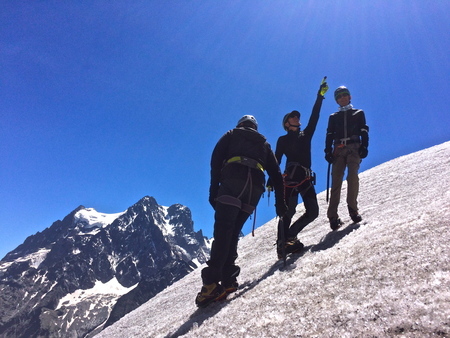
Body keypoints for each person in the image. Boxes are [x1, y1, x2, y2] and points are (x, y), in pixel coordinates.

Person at [195, 115, 287, 308]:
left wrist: (213, 191)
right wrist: (281, 202)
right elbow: (277, 174)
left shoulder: (230, 135)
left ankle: (211, 284)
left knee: (223, 231)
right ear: (255, 127)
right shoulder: (264, 144)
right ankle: (228, 279)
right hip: (254, 189)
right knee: (233, 231)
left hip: (233, 182)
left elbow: (215, 162)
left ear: (240, 125)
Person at [272, 78, 328, 258]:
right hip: (291, 178)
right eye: (293, 117)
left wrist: (319, 97)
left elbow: (315, 116)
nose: (297, 117)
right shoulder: (282, 140)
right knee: (289, 211)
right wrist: (271, 179)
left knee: (312, 212)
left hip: (301, 177)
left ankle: (288, 238)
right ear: (287, 124)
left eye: (297, 116)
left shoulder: (306, 134)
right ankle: (284, 243)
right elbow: (276, 160)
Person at [324, 86, 369, 230]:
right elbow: (329, 134)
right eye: (339, 96)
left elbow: (364, 130)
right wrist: (327, 151)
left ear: (350, 97)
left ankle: (353, 209)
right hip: (338, 150)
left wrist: (364, 146)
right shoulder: (333, 117)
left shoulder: (359, 113)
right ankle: (333, 216)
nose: (342, 98)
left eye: (344, 95)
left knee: (352, 177)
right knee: (336, 182)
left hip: (354, 147)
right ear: (337, 100)